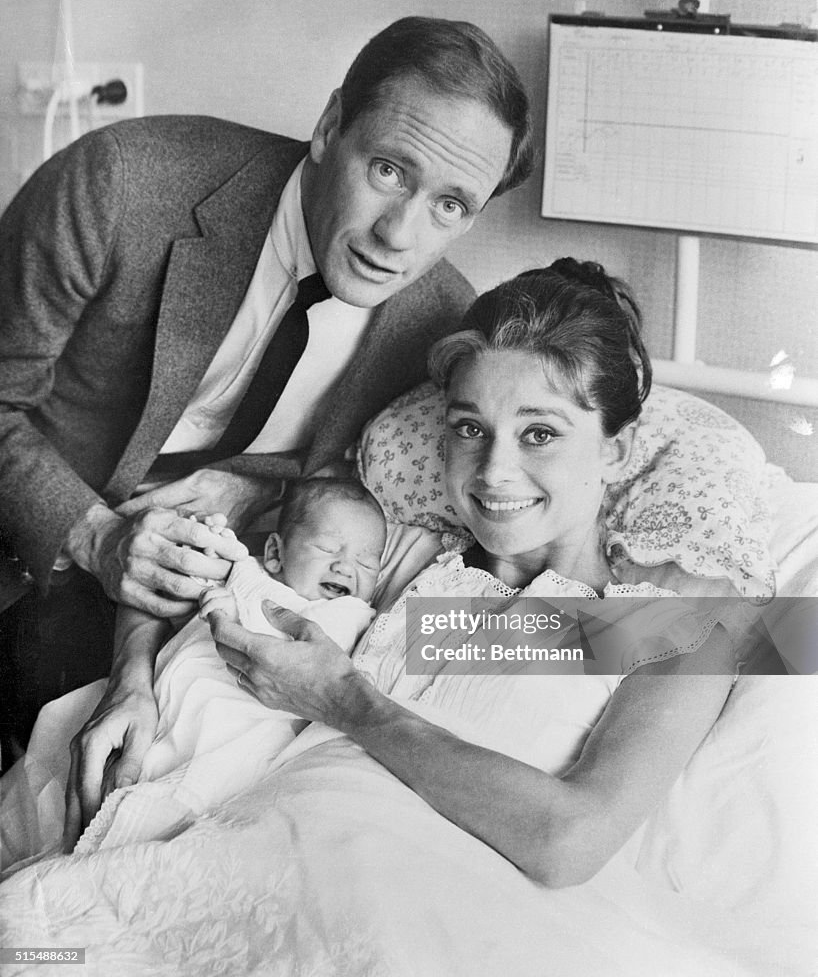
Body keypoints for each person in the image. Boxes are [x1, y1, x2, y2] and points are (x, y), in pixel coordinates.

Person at [0, 261, 746, 977]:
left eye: (540, 433)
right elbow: (179, 546)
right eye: (468, 427)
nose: (493, 473)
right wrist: (132, 677)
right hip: (245, 868)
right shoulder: (406, 552)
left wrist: (345, 701)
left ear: (615, 452)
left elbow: (568, 839)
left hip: (424, 920)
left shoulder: (670, 621)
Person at [0, 16, 534, 757]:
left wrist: (258, 492)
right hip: (35, 553)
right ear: (328, 127)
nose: (400, 237)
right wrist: (96, 537)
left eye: (451, 204)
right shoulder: (119, 183)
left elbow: (595, 634)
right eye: (389, 171)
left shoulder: (437, 327)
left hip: (203, 634)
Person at [65, 478, 387, 852]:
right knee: (103, 792)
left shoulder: (354, 613)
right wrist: (209, 540)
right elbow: (195, 572)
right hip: (162, 709)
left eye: (368, 563)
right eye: (328, 547)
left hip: (233, 738)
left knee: (169, 814)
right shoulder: (247, 573)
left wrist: (230, 616)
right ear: (276, 554)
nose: (347, 567)